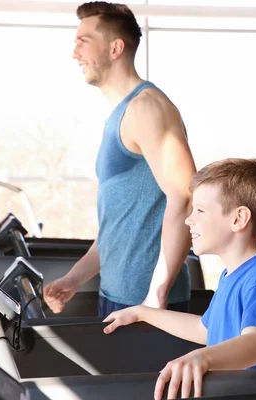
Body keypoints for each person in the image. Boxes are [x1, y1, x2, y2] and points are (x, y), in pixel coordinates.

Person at [43, 2, 197, 316]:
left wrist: (158, 291)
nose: (75, 54)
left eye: (83, 42)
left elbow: (186, 196)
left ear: (115, 48)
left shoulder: (147, 108)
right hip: (119, 295)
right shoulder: (121, 115)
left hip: (146, 301)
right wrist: (74, 279)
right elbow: (117, 226)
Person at [102, 158, 256, 400]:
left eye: (200, 210)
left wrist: (202, 357)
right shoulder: (231, 276)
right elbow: (204, 329)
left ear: (238, 219)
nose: (188, 220)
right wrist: (142, 313)